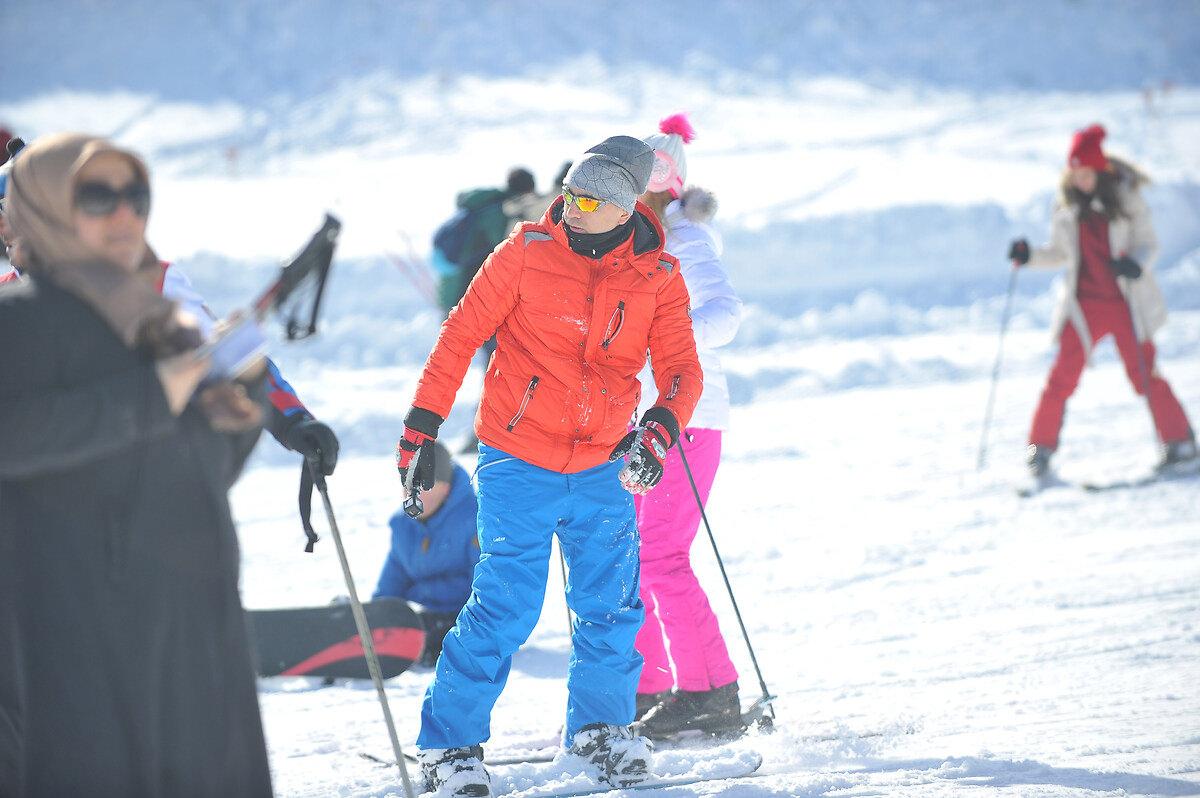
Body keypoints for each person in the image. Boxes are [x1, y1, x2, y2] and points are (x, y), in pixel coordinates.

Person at [395, 134, 703, 797]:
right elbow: (459, 336)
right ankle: (449, 748)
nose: (572, 206)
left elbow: (681, 372)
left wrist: (659, 429)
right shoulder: (525, 254)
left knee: (611, 606)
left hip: (601, 464)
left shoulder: (657, 277)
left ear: (624, 209)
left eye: (589, 198)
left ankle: (601, 731)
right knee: (504, 606)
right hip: (517, 455)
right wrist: (421, 428)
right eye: (569, 191)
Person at [0, 133, 273, 796]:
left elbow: (188, 477)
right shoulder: (19, 322)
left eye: (135, 195)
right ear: (45, 209)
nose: (124, 213)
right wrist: (153, 396)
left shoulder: (158, 322)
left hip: (195, 638)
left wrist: (240, 402)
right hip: (79, 648)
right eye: (97, 196)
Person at [0, 134, 338, 474]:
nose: (4, 223)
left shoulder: (150, 281)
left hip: (152, 486)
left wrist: (295, 422)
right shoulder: (7, 305)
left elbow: (229, 358)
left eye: (10, 208)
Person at [628, 115, 746, 741]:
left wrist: (665, 340)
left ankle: (711, 692)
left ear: (659, 190)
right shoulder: (636, 243)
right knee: (635, 558)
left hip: (691, 416)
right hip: (647, 424)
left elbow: (725, 315)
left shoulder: (685, 242)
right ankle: (645, 689)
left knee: (662, 556)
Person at [1009, 124, 1196, 477]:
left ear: (1098, 169)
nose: (1079, 180)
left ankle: (1181, 441)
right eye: (1074, 172)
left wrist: (1134, 264)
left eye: (1084, 172)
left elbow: (1148, 244)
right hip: (1083, 307)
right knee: (1060, 378)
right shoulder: (1066, 207)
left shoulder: (1127, 200)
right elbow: (1061, 254)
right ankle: (1038, 450)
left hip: (1126, 304)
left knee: (1145, 374)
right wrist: (1028, 255)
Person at [374, 441, 480, 667]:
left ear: (445, 488)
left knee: (423, 635)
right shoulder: (403, 526)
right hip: (417, 617)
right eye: (408, 486)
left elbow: (487, 587)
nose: (414, 494)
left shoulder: (475, 520)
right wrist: (377, 614)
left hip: (462, 620)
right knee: (382, 628)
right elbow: (393, 581)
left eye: (423, 486)